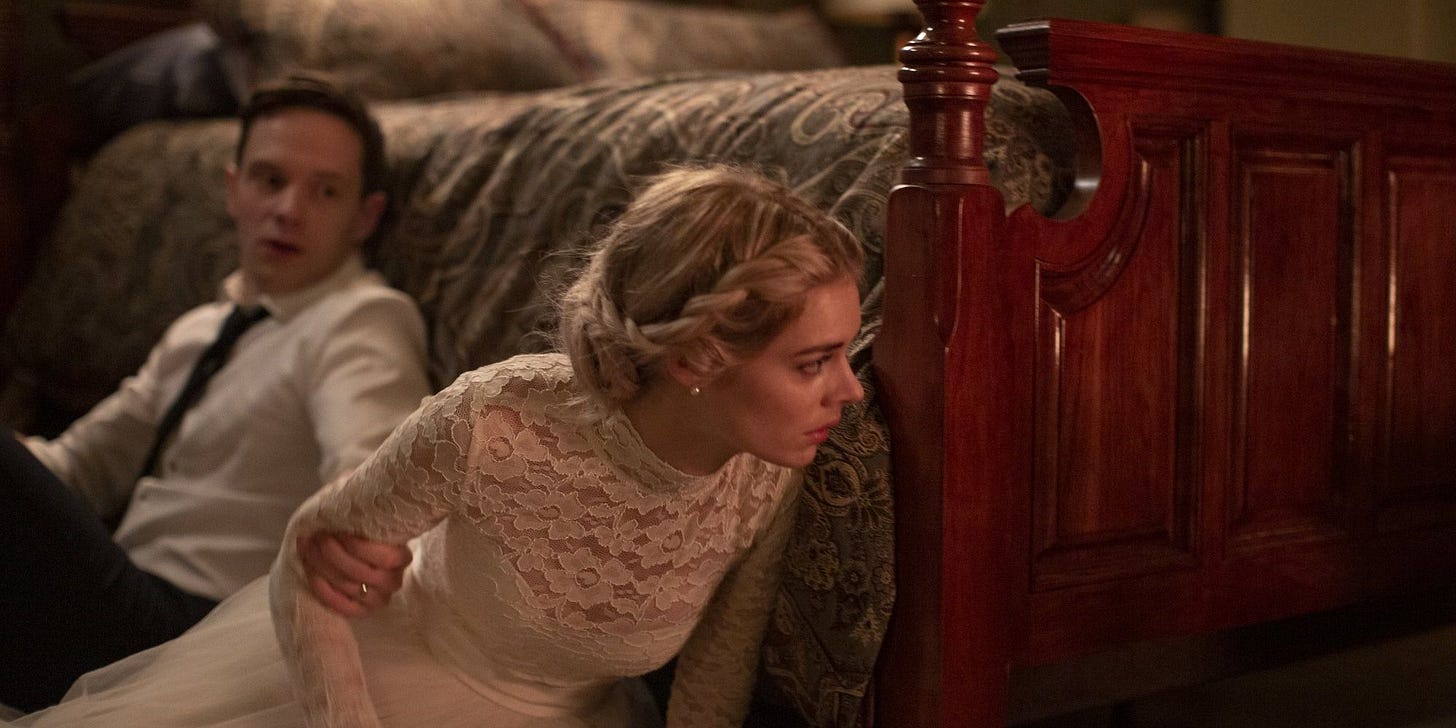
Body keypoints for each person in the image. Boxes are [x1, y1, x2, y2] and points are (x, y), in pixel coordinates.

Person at [6, 164, 866, 727]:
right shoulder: (499, 420)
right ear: (697, 358)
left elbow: (715, 678)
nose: (850, 392)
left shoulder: (769, 465)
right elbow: (312, 555)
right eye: (814, 362)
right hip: (388, 691)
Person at [0, 74, 432, 712]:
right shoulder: (200, 329)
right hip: (113, 594)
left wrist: (356, 528)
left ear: (364, 217)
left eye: (326, 191)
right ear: (233, 190)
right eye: (269, 180)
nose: (288, 209)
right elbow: (79, 467)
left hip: (179, 630)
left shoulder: (361, 320)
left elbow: (372, 462)